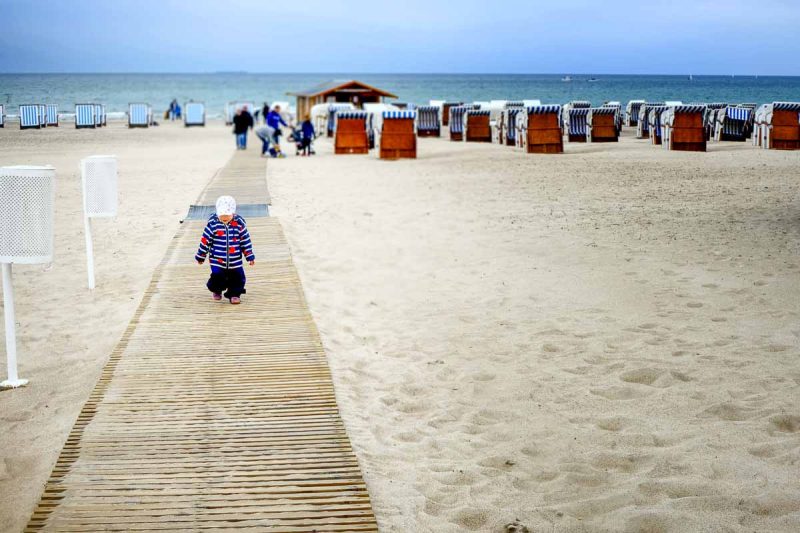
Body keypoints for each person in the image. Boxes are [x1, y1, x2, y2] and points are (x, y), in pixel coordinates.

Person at [195, 195, 255, 305]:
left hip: (235, 259)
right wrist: (201, 256)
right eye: (221, 216)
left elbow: (245, 241)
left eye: (227, 216)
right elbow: (205, 241)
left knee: (238, 277)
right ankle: (217, 289)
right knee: (217, 276)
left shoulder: (239, 225)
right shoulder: (213, 224)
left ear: (233, 212)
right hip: (217, 259)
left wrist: (249, 256)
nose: (224, 218)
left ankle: (235, 294)